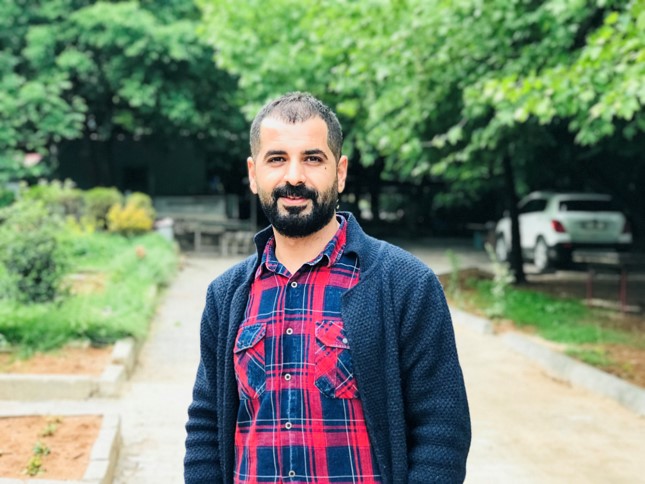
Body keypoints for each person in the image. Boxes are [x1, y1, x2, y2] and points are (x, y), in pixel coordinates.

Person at [184, 92, 471, 483]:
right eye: (277, 159)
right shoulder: (227, 296)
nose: (294, 177)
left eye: (312, 159)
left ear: (340, 172)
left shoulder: (405, 284)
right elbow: (206, 424)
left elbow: (442, 429)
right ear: (253, 173)